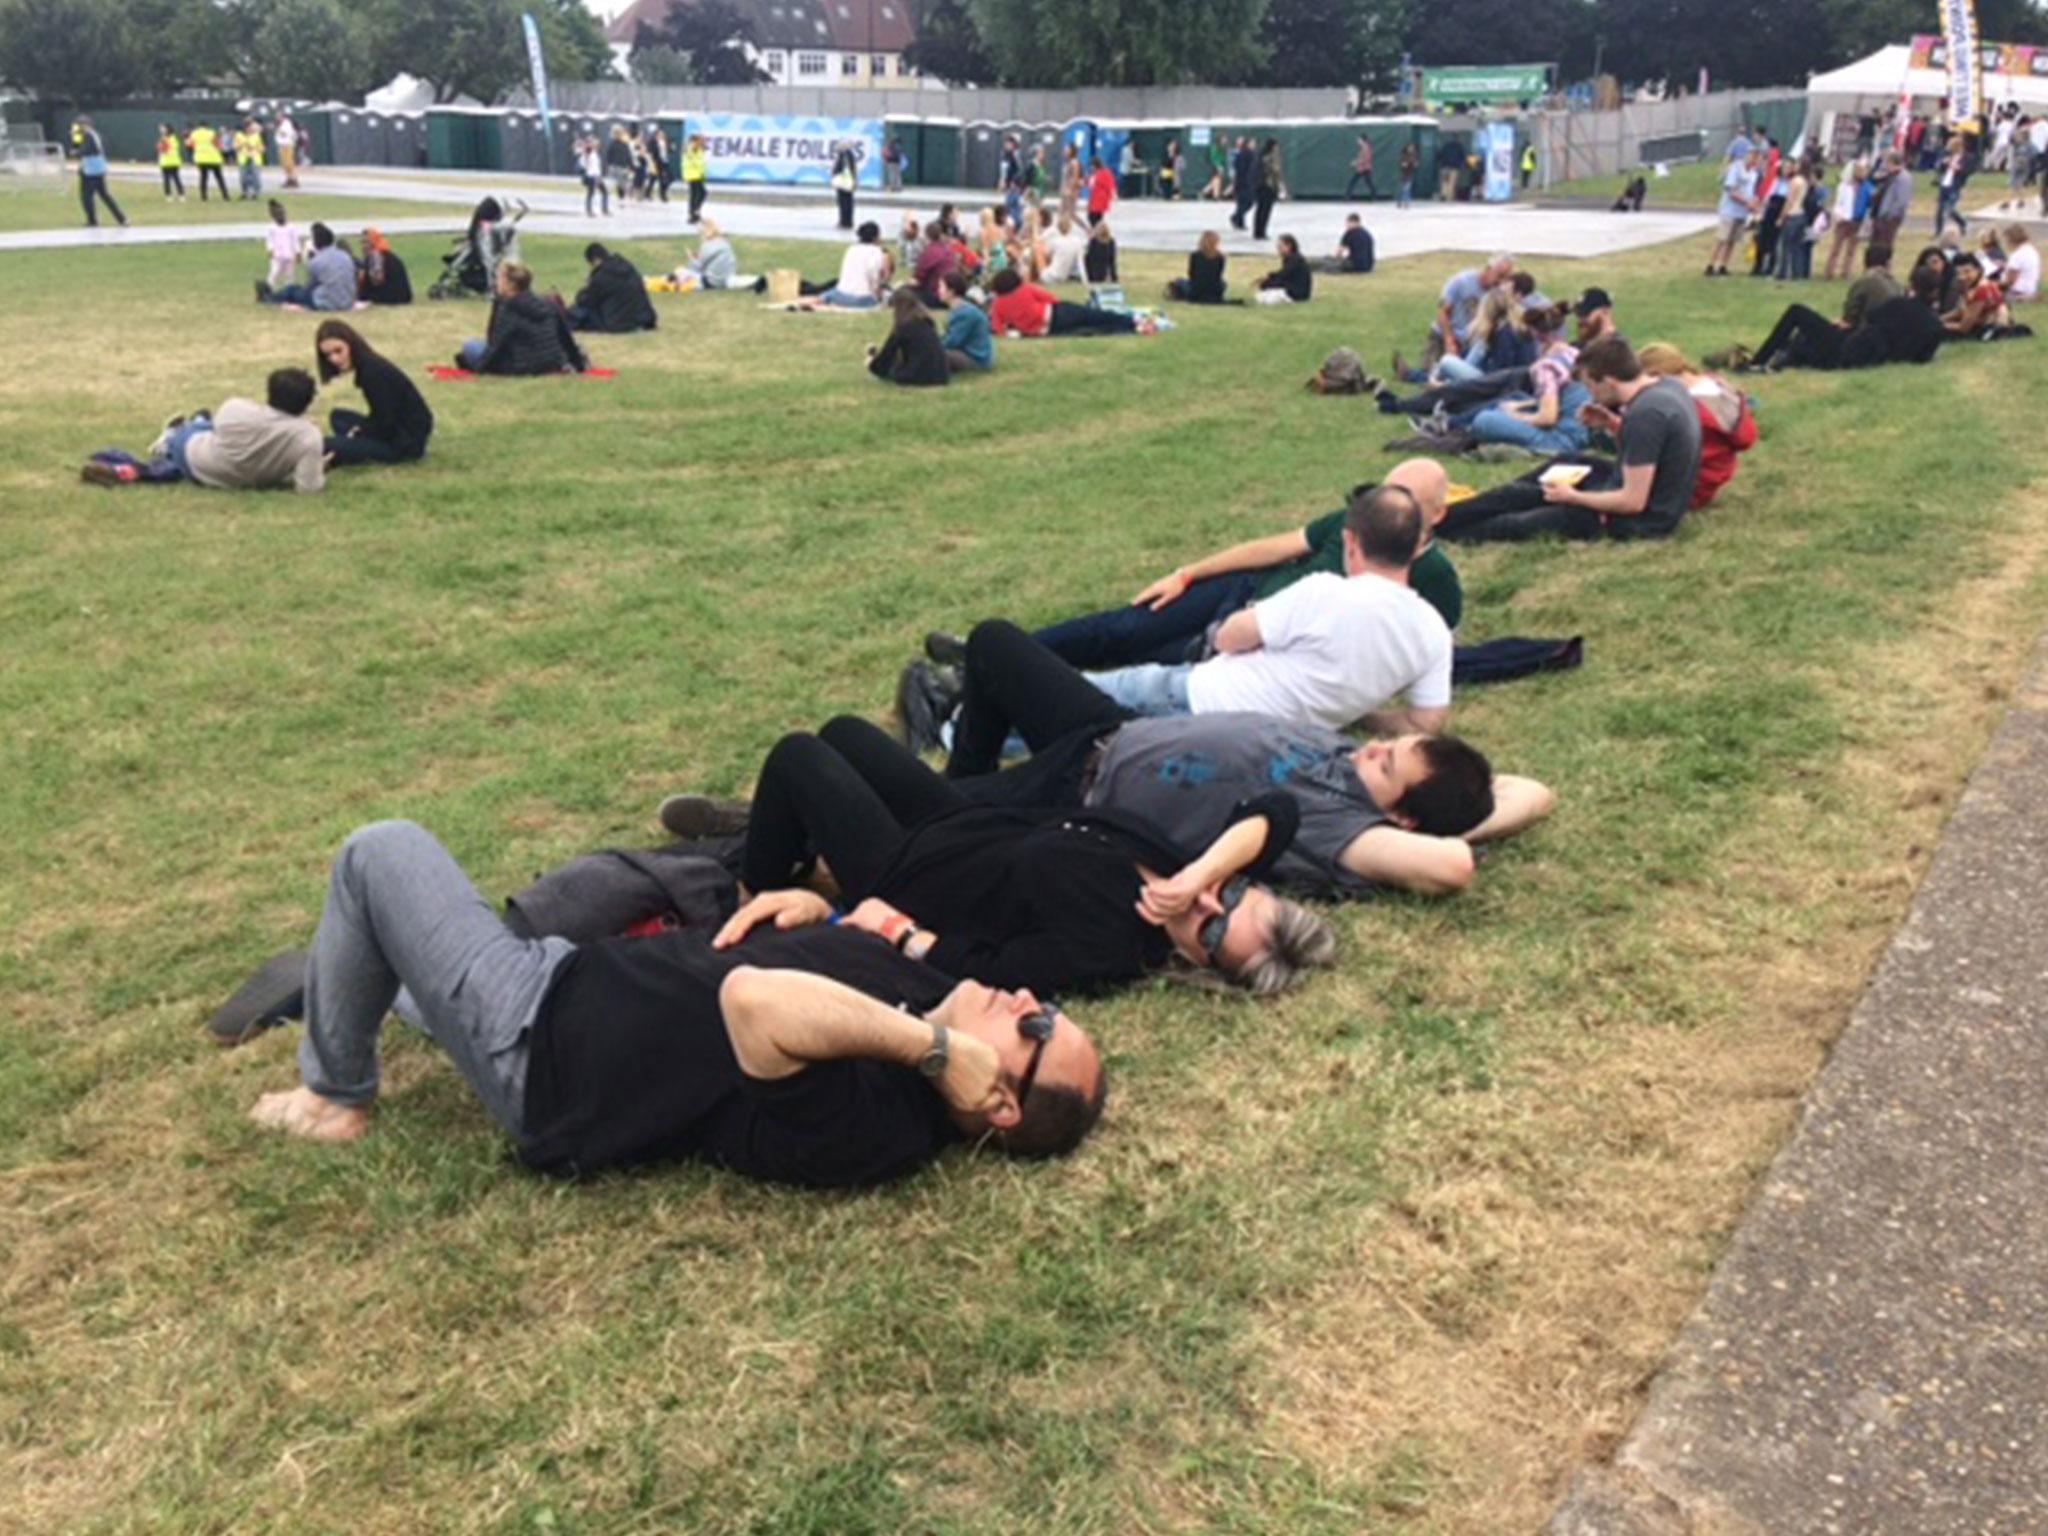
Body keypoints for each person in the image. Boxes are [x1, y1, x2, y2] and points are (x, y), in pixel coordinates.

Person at [236, 819, 1106, 1180]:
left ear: (997, 1099)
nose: (1028, 996)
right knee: (407, 945)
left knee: (378, 853)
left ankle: (335, 1092)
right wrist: (822, 914)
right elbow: (840, 947)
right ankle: (358, 970)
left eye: (1034, 1024)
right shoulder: (934, 1002)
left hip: (545, 1049)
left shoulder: (882, 1121)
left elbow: (757, 1007)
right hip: (576, 976)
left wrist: (938, 1052)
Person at [724, 716, 1330, 1001]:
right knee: (845, 735)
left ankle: (750, 897)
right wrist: (1202, 871)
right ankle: (790, 841)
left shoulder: (1109, 949)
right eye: (1229, 895)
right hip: (957, 823)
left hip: (909, 875)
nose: (1204, 903)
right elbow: (1277, 811)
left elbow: (989, 968)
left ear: (1200, 963)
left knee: (798, 756)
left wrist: (897, 929)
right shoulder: (1183, 865)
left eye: (1215, 928)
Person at [930, 631, 1549, 901]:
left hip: (1081, 791)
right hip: (1108, 727)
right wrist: (1460, 808)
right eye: (1389, 747)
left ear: (1401, 819)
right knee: (992, 644)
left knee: (918, 815)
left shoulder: (1342, 828)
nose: (1374, 748)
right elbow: (1536, 792)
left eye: (1387, 767)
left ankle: (959, 800)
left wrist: (1444, 830)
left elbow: (1450, 865)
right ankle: (965, 782)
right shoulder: (1352, 762)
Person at [968, 460, 1465, 680]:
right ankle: (995, 655)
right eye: (1385, 493)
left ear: (1437, 514)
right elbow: (1273, 547)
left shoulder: (1435, 580)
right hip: (1243, 595)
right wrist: (1188, 573)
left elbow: (1424, 651)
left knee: (1144, 664)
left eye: (1406, 500)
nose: (1388, 506)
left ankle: (1004, 679)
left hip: (1259, 646)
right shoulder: (1360, 518)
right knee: (1125, 626)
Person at [1030, 485, 1452, 736]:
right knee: (1110, 678)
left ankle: (975, 706)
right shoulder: (1432, 630)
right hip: (1256, 734)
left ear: (1351, 543)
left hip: (1202, 693)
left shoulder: (1326, 592)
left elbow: (1231, 637)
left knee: (1072, 698)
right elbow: (1425, 723)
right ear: (1416, 547)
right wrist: (1361, 713)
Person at [1437, 338, 1702, 545]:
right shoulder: (1666, 388)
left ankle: (1438, 526)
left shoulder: (1646, 415)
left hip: (1638, 521)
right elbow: (1651, 451)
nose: (1590, 395)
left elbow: (1633, 502)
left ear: (1609, 382)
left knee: (1516, 521)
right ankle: (1461, 511)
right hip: (1653, 496)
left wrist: (1575, 497)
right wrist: (1612, 425)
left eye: (1591, 387)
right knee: (1562, 465)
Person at [80, 369, 325, 493]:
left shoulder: (236, 408)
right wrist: (317, 462)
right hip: (232, 478)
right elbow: (308, 488)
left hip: (196, 458)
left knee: (200, 425)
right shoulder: (309, 438)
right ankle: (143, 463)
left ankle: (171, 437)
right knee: (204, 429)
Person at [1635, 345, 1755, 510]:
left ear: (1657, 376)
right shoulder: (1720, 389)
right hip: (1714, 474)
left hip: (1690, 485)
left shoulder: (1684, 407)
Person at [315, 320, 433, 469]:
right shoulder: (369, 366)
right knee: (338, 417)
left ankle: (343, 450)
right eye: (328, 355)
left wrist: (359, 433)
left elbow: (385, 422)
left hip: (402, 442)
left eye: (338, 351)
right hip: (398, 430)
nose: (334, 359)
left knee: (325, 444)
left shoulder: (372, 373)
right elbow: (381, 414)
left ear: (351, 345)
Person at [1466, 327, 1589, 456]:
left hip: (1561, 440)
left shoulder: (1545, 367)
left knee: (1484, 420)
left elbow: (1548, 418)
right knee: (1516, 400)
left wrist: (1515, 416)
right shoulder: (1572, 354)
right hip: (1578, 430)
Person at [459, 262, 588, 376]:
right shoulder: (548, 305)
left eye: (499, 278)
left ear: (511, 284)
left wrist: (477, 369)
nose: (496, 282)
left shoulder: (509, 308)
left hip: (519, 365)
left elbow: (495, 344)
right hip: (551, 362)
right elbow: (565, 338)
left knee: (470, 345)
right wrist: (577, 363)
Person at [987, 268, 1142, 336]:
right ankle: (1130, 321)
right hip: (1053, 314)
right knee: (1091, 315)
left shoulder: (998, 304)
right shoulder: (1025, 289)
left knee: (1089, 323)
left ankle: (1128, 324)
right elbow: (1051, 299)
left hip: (1043, 330)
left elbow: (997, 328)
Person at [257, 222, 358, 312]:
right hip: (347, 302)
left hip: (325, 303)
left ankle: (269, 298)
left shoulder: (316, 261)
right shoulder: (346, 256)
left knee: (292, 290)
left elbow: (309, 289)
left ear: (316, 243)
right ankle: (272, 296)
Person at [867, 290, 951, 387]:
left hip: (918, 377)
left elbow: (886, 356)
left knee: (894, 369)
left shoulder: (903, 328)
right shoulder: (927, 323)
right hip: (941, 376)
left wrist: (872, 365)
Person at [568, 243, 658, 333]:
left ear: (595, 260)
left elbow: (585, 300)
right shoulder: (627, 266)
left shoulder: (603, 275)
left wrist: (588, 285)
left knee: (580, 312)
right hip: (644, 320)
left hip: (620, 323)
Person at [812, 221, 892, 308]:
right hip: (862, 299)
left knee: (824, 296)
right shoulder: (877, 252)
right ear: (875, 237)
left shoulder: (851, 249)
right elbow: (875, 280)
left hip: (841, 294)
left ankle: (802, 304)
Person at [1706, 147, 1760, 277]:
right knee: (1722, 238)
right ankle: (1711, 264)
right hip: (1729, 210)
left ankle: (1723, 265)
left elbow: (1751, 191)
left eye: (1756, 157)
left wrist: (1753, 203)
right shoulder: (1736, 168)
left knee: (1732, 240)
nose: (1754, 160)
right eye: (1752, 156)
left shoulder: (1753, 173)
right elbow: (1731, 191)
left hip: (1741, 212)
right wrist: (1746, 202)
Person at [71, 118, 127, 229]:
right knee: (104, 195)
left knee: (86, 196)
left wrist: (76, 153)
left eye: (80, 126)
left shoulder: (89, 136)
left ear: (86, 125)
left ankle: (92, 220)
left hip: (91, 171)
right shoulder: (94, 135)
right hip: (96, 169)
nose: (79, 128)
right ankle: (121, 219)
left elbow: (89, 150)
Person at [1824, 159, 1870, 281]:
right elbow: (1838, 203)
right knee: (1836, 247)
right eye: (1860, 170)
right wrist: (1838, 215)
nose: (1863, 173)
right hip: (1844, 220)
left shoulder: (1866, 187)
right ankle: (1830, 271)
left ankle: (1846, 272)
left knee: (1851, 249)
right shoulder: (1844, 186)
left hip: (1857, 220)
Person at [939, 271, 994, 372]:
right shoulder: (961, 309)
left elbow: (952, 342)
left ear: (951, 291)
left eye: (941, 287)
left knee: (935, 355)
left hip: (976, 360)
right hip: (969, 354)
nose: (938, 291)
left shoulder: (964, 313)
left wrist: (930, 346)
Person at [1868, 152, 1912, 258]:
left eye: (1888, 164)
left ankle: (1884, 265)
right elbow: (1874, 178)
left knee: (1885, 244)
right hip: (1880, 214)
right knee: (1875, 243)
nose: (1886, 167)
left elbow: (1902, 201)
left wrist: (1889, 214)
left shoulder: (1903, 178)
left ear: (1893, 163)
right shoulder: (1890, 175)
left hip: (1889, 218)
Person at [1167, 230, 1229, 303]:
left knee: (1180, 281)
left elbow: (1191, 273)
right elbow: (1218, 275)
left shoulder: (1195, 255)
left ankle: (1177, 292)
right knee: (1223, 283)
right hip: (1214, 289)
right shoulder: (1221, 257)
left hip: (1196, 289)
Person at [358, 228, 412, 305]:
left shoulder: (376, 257)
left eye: (365, 242)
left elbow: (375, 283)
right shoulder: (387, 255)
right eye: (362, 242)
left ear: (373, 243)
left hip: (391, 298)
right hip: (403, 297)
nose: (363, 246)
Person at [684, 218, 741, 289]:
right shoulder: (725, 243)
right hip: (727, 280)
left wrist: (691, 258)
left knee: (682, 272)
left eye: (700, 233)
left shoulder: (706, 246)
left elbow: (696, 268)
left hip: (711, 282)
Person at [1256, 235, 1311, 304]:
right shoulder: (1293, 259)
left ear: (1289, 246)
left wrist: (1266, 284)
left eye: (1280, 247)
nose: (1278, 250)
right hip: (1296, 292)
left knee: (1264, 297)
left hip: (1296, 294)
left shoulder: (1295, 260)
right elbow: (1282, 274)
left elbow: (1284, 277)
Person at [260, 200, 302, 291]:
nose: (281, 216)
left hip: (289, 255)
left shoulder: (291, 227)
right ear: (274, 217)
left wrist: (298, 252)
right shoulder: (271, 228)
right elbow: (269, 240)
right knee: (274, 273)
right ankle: (269, 289)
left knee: (290, 274)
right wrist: (270, 250)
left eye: (282, 214)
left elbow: (295, 241)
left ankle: (289, 290)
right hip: (277, 256)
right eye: (278, 215)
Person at [1933, 142, 1972, 238]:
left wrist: (1957, 167)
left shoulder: (1965, 158)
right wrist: (1943, 163)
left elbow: (1966, 172)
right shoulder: (1948, 156)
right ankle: (1938, 231)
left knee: (1950, 209)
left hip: (1954, 186)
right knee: (1940, 209)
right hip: (1944, 184)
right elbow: (1939, 168)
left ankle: (1962, 223)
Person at [187, 121, 229, 202]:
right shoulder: (211, 133)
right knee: (219, 177)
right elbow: (218, 145)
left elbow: (189, 145)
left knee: (203, 177)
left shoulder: (194, 134)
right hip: (213, 158)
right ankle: (225, 195)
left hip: (201, 158)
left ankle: (204, 196)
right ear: (207, 126)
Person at [1252, 138, 1284, 241]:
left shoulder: (1259, 156)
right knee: (1265, 211)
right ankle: (1262, 232)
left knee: (1259, 210)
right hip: (1268, 186)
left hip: (1259, 186)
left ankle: (1257, 231)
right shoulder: (1271, 158)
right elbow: (1276, 172)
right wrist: (1280, 187)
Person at [1044, 214, 1089, 283]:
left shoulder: (1055, 242)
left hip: (1051, 275)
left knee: (1039, 251)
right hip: (1064, 276)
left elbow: (1046, 255)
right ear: (1070, 227)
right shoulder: (1077, 242)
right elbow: (1081, 263)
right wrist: (1085, 280)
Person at [2001, 224, 2040, 303]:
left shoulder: (2017, 255)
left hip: (2017, 290)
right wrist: (2006, 266)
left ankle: (2022, 299)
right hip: (2030, 288)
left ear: (2011, 239)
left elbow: (2010, 281)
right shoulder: (2031, 250)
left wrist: (1994, 286)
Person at [1231, 137, 1259, 230]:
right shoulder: (1245, 154)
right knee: (1246, 202)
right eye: (1252, 143)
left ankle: (1238, 218)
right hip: (1244, 182)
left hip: (1246, 182)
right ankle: (1238, 220)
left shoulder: (1251, 154)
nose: (1254, 145)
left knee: (1244, 203)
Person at [234, 118, 265, 200]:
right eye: (249, 126)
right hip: (243, 159)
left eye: (252, 126)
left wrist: (256, 149)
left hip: (254, 158)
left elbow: (262, 148)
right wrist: (242, 144)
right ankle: (245, 192)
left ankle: (256, 193)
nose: (251, 128)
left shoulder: (257, 136)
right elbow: (235, 147)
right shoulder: (239, 135)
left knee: (256, 177)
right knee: (243, 177)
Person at [831, 142, 860, 231]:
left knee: (844, 202)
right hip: (848, 181)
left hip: (844, 182)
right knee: (848, 202)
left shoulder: (844, 155)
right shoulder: (850, 155)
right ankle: (847, 221)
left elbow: (842, 168)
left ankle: (844, 221)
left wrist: (834, 172)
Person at [156, 124, 187, 201]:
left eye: (163, 129)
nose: (161, 130)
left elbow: (162, 149)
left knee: (168, 179)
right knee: (176, 179)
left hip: (167, 162)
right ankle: (181, 195)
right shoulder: (174, 138)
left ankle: (169, 195)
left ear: (167, 130)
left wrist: (160, 146)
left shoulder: (165, 139)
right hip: (173, 162)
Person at [1086, 157, 1117, 228]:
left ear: (1095, 165)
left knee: (1094, 218)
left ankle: (1099, 234)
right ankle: (1099, 234)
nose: (1091, 168)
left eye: (1091, 166)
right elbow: (1090, 183)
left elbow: (1111, 184)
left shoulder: (1104, 173)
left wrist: (1114, 194)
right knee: (1094, 218)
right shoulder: (1094, 174)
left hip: (1100, 201)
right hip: (1093, 201)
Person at [1347, 135, 1377, 201]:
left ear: (1362, 140)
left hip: (1364, 168)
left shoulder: (1365, 148)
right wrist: (1356, 162)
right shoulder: (1363, 148)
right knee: (1368, 182)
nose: (1357, 141)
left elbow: (1365, 159)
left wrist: (1355, 163)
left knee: (1354, 182)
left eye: (1359, 139)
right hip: (1362, 168)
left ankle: (1347, 197)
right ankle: (1374, 197)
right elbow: (1362, 158)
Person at [275, 112, 301, 189]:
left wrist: (277, 130)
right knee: (284, 164)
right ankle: (288, 179)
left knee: (289, 163)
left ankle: (293, 179)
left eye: (279, 116)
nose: (277, 118)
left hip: (287, 146)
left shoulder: (287, 124)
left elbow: (285, 134)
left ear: (283, 117)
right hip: (282, 146)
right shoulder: (280, 124)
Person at [1397, 140, 1419, 208]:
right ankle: (1400, 201)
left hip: (1410, 174)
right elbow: (1402, 164)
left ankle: (1406, 203)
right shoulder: (1404, 155)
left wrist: (1414, 164)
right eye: (1410, 147)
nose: (1411, 148)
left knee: (1407, 189)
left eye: (1412, 147)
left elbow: (1416, 164)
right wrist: (1404, 164)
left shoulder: (1414, 155)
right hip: (1403, 174)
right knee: (1403, 189)